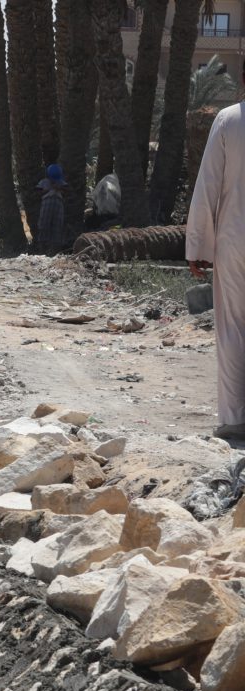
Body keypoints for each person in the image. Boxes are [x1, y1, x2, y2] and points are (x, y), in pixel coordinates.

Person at [187, 101, 245, 441]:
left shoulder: (228, 120)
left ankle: (235, 418)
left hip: (235, 239)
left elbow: (207, 185)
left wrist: (198, 247)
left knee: (233, 325)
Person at [36, 164, 68, 254]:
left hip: (58, 203)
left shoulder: (61, 182)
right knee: (44, 225)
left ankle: (55, 251)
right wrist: (48, 189)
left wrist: (59, 188)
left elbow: (67, 191)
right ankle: (42, 250)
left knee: (57, 226)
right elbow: (38, 193)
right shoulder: (44, 182)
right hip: (47, 202)